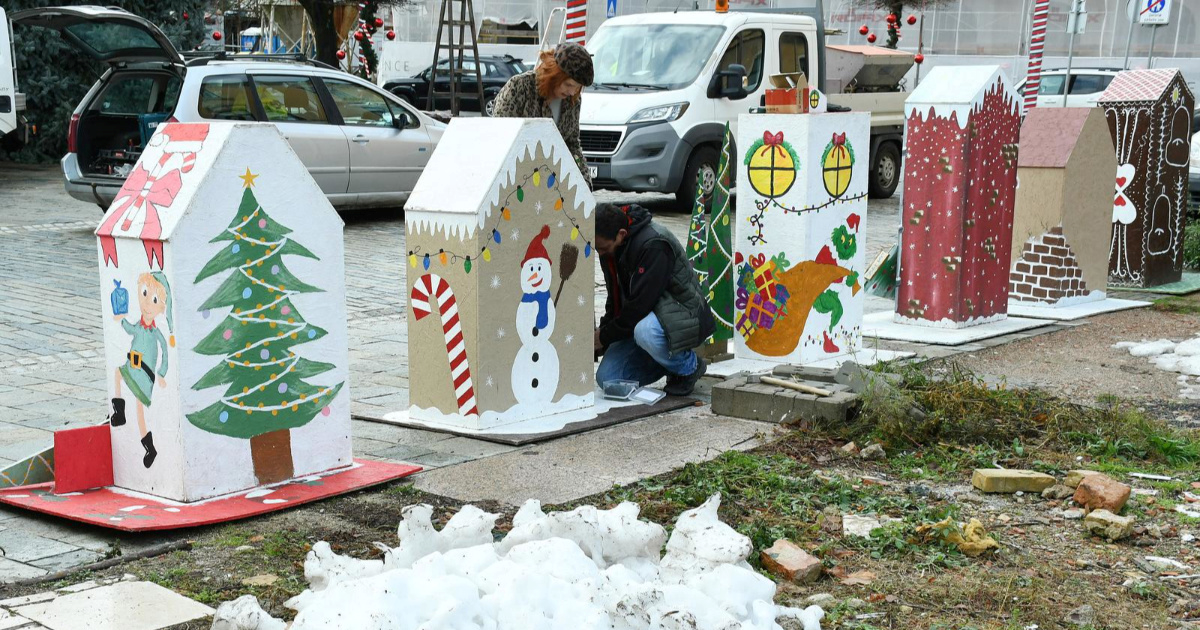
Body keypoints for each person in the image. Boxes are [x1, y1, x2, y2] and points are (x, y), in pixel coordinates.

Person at [594, 203, 714, 396]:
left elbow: (639, 307)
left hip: (683, 316)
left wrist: (603, 337)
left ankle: (689, 366)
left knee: (645, 331)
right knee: (607, 379)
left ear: (622, 234)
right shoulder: (610, 250)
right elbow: (615, 300)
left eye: (602, 247)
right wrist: (603, 335)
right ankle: (667, 363)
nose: (599, 253)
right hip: (649, 316)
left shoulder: (654, 244)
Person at [493, 43, 594, 187]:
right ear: (555, 74)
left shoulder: (573, 101)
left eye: (577, 88)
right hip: (514, 180)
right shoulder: (519, 86)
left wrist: (584, 180)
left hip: (551, 183)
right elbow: (499, 135)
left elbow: (572, 144)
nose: (572, 92)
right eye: (568, 84)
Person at [110, 271, 173, 469]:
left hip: (144, 374)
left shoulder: (155, 332)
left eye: (153, 299)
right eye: (144, 294)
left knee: (139, 411)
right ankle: (119, 413)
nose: (147, 304)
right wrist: (120, 317)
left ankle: (149, 446)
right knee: (118, 374)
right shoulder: (139, 326)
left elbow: (165, 351)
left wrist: (161, 374)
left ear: (161, 307)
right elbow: (129, 329)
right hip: (132, 367)